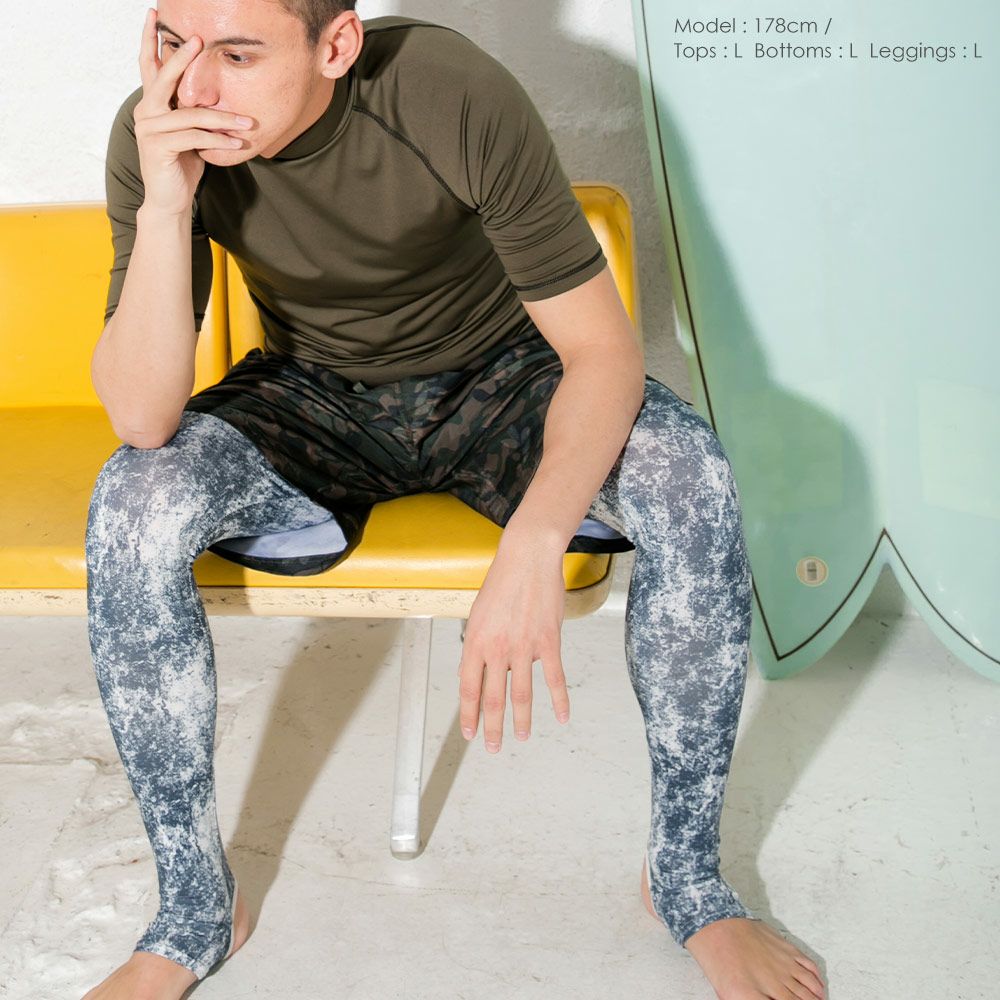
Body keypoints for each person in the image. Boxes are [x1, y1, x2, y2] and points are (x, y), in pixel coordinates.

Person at [83, 2, 827, 999]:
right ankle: (192, 911)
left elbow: (600, 353)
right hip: (315, 393)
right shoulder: (157, 132)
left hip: (502, 378)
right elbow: (142, 416)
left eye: (239, 53)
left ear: (336, 47)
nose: (194, 86)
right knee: (133, 500)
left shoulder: (444, 90)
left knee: (689, 475)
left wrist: (535, 541)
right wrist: (167, 202)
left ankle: (689, 884)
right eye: (172, 42)